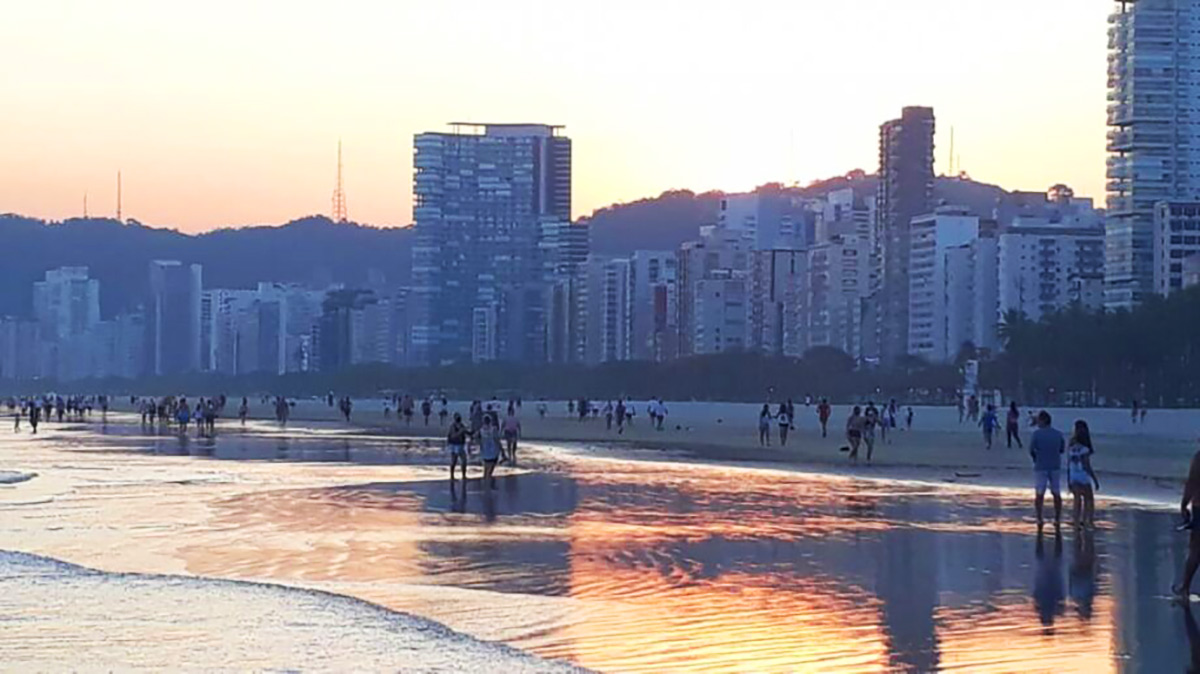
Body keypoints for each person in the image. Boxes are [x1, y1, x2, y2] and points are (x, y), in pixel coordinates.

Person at [1030, 410, 1066, 528]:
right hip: (1055, 465)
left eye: (1039, 420)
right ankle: (1057, 518)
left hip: (1041, 466)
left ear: (1043, 421)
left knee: (1039, 494)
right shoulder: (1058, 434)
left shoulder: (1036, 434)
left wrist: (1036, 458)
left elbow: (1032, 450)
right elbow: (1062, 449)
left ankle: (1040, 518)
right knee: (1056, 493)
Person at [1067, 420, 1100, 529]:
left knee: (1077, 499)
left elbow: (1068, 463)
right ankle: (1088, 521)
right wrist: (1095, 479)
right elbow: (1086, 465)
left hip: (1073, 474)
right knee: (1089, 499)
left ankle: (1076, 521)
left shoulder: (1071, 445)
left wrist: (1068, 480)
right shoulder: (1085, 448)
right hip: (1082, 475)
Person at [479, 415, 501, 489]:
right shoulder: (493, 429)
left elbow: (478, 440)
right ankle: (487, 485)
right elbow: (497, 440)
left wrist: (480, 447)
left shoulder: (481, 430)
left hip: (485, 451)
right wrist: (501, 450)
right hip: (493, 451)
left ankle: (486, 484)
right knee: (490, 469)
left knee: (486, 469)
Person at [446, 413, 469, 482]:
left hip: (460, 445)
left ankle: (463, 475)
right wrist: (460, 432)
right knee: (455, 461)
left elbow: (466, 432)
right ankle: (452, 476)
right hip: (454, 445)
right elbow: (452, 436)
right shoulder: (453, 426)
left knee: (463, 461)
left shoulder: (461, 425)